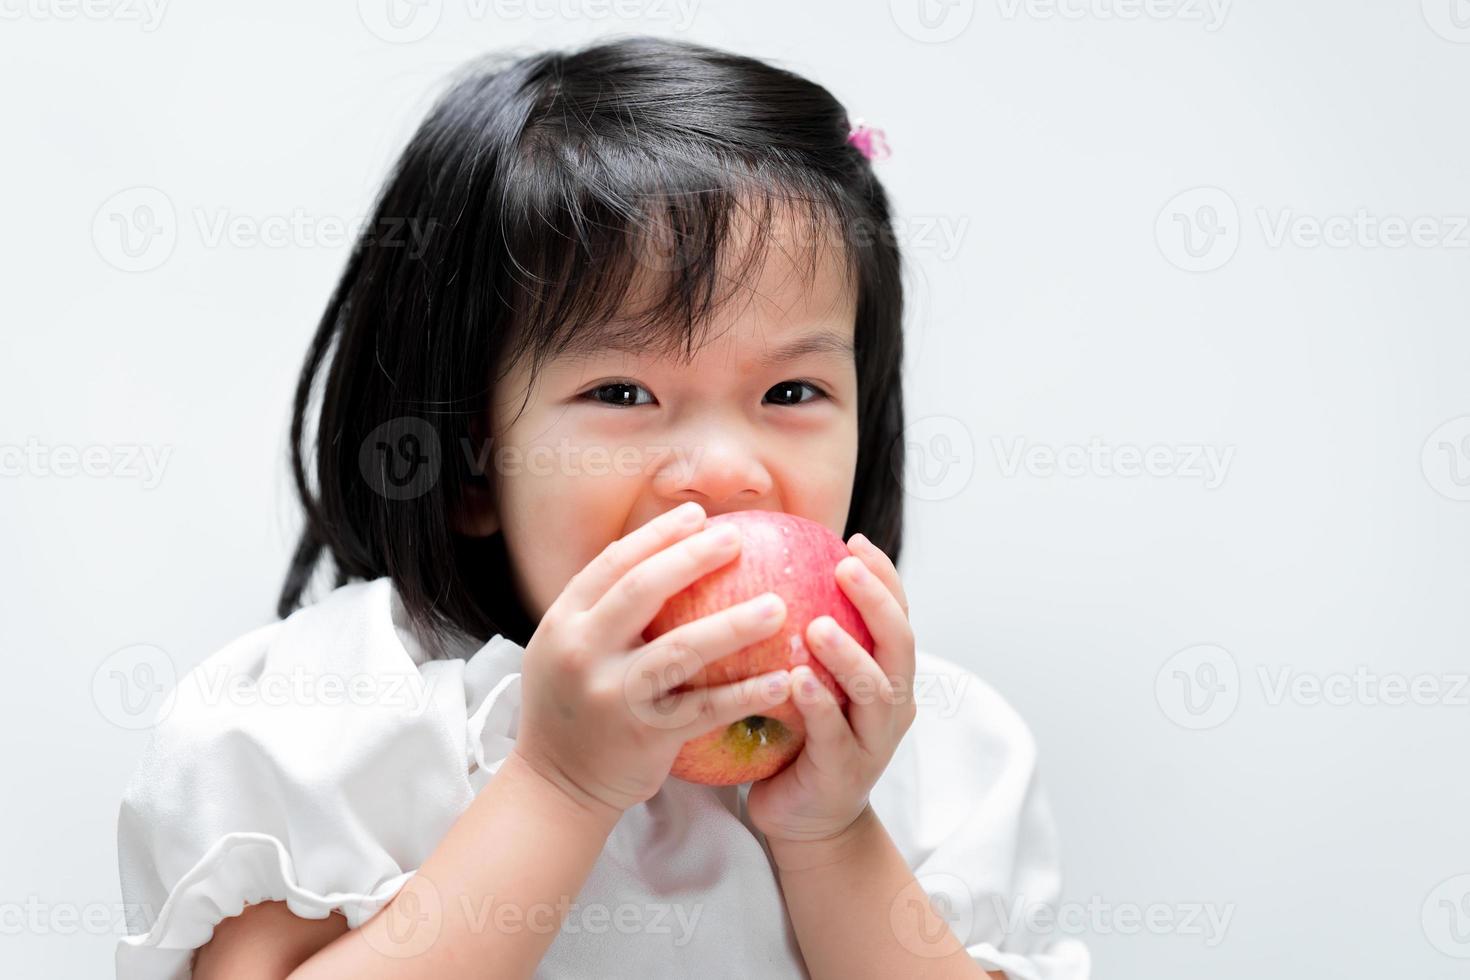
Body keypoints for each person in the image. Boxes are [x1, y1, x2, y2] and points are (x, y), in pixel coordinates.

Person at [115, 35, 1090, 979]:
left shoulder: (938, 753)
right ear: (466, 462)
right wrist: (559, 785)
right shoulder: (333, 714)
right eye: (624, 394)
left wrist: (830, 830)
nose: (726, 469)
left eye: (792, 393)